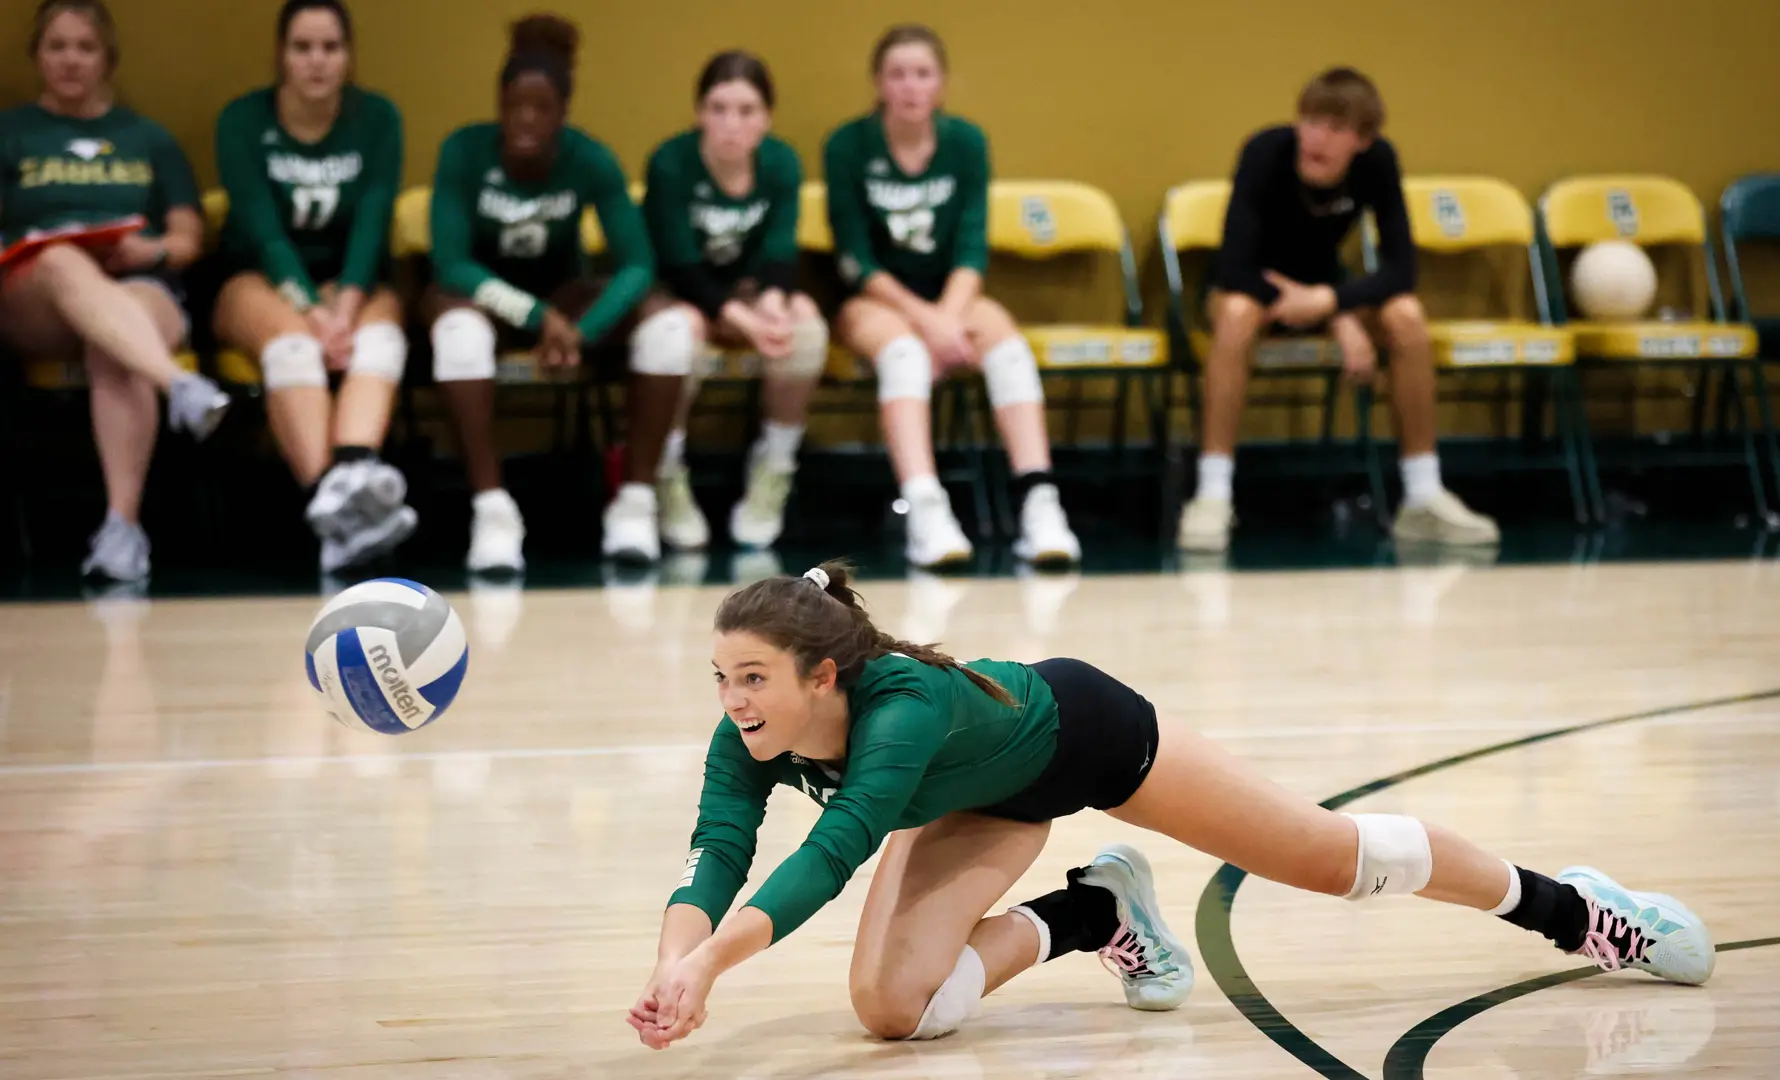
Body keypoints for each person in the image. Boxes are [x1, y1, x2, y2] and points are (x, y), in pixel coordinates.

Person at [629, 562, 1716, 1047]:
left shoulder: (898, 711)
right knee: (891, 1011)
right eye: (722, 679)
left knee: (1337, 860)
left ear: (822, 676)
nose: (733, 702)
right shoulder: (747, 737)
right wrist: (677, 969)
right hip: (982, 802)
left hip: (1086, 733)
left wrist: (716, 966)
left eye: (753, 678)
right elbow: (718, 851)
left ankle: (1571, 911)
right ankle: (1091, 918)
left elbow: (834, 852)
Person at [1179, 67, 1499, 552]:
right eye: (1309, 121)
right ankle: (1213, 494)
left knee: (1406, 315)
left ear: (1364, 140)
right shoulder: (1265, 151)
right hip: (1253, 290)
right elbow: (1234, 267)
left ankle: (1423, 495)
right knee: (1238, 312)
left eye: (1334, 128)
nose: (1316, 138)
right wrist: (1333, 313)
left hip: (1325, 290)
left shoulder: (1379, 164)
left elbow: (1402, 269)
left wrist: (1332, 304)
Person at [823, 25, 1079, 570]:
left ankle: (1040, 503)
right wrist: (929, 323)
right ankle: (926, 510)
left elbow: (971, 247)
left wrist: (947, 316)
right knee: (905, 354)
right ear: (878, 84)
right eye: (897, 74)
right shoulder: (846, 146)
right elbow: (855, 258)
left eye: (922, 74)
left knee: (1008, 348)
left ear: (941, 84)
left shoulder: (966, 143)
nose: (910, 87)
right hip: (877, 300)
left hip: (952, 296)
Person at [0, 0, 231, 582]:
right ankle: (180, 384)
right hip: (35, 293)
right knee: (61, 260)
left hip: (137, 281)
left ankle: (121, 532)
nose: (71, 60)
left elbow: (185, 238)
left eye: (85, 47)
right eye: (57, 47)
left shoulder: (147, 137)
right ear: (37, 57)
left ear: (108, 58)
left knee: (117, 333)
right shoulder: (12, 132)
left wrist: (145, 251)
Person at [425, 13, 656, 573]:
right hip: (485, 299)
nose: (525, 119)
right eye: (514, 106)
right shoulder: (464, 151)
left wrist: (585, 328)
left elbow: (638, 263)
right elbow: (451, 262)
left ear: (563, 113)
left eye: (541, 108)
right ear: (498, 104)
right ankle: (492, 510)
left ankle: (636, 504)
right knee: (455, 328)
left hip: (565, 298)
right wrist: (534, 315)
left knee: (667, 326)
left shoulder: (590, 158)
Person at [212, 0, 412, 573]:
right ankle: (336, 502)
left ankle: (348, 487)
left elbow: (373, 220)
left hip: (351, 277)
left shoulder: (377, 120)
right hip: (257, 275)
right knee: (295, 346)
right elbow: (263, 230)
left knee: (380, 341)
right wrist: (314, 313)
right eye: (302, 48)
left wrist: (346, 305)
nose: (317, 62)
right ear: (281, 55)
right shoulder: (243, 120)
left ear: (349, 57)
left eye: (330, 48)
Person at [626, 50, 823, 558]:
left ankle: (774, 470)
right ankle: (666, 474)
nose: (731, 124)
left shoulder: (780, 162)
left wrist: (774, 304)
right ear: (698, 112)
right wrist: (744, 320)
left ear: (767, 118)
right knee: (677, 331)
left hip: (749, 293)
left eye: (746, 110)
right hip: (678, 291)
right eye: (718, 108)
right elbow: (680, 263)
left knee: (806, 328)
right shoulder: (671, 162)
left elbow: (781, 249)